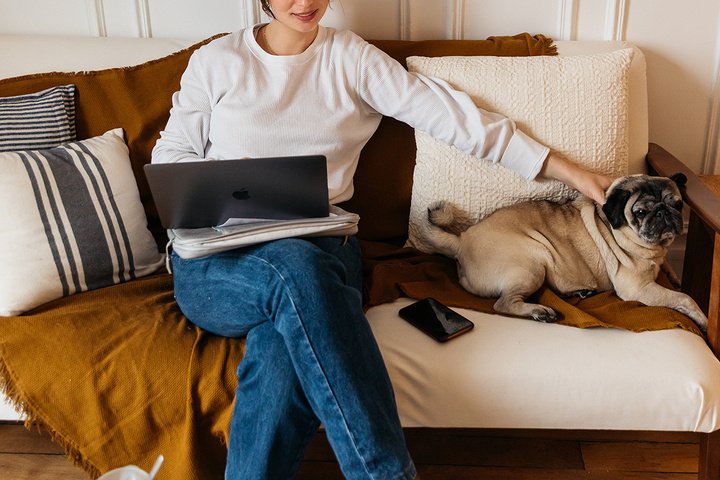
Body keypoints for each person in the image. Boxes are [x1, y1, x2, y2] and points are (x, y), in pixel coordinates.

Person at [151, 1, 612, 478]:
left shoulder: (353, 59)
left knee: (280, 343)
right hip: (219, 266)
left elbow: (455, 120)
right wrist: (236, 179)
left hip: (320, 251)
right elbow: (171, 154)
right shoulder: (216, 61)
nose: (306, 3)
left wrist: (572, 174)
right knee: (293, 274)